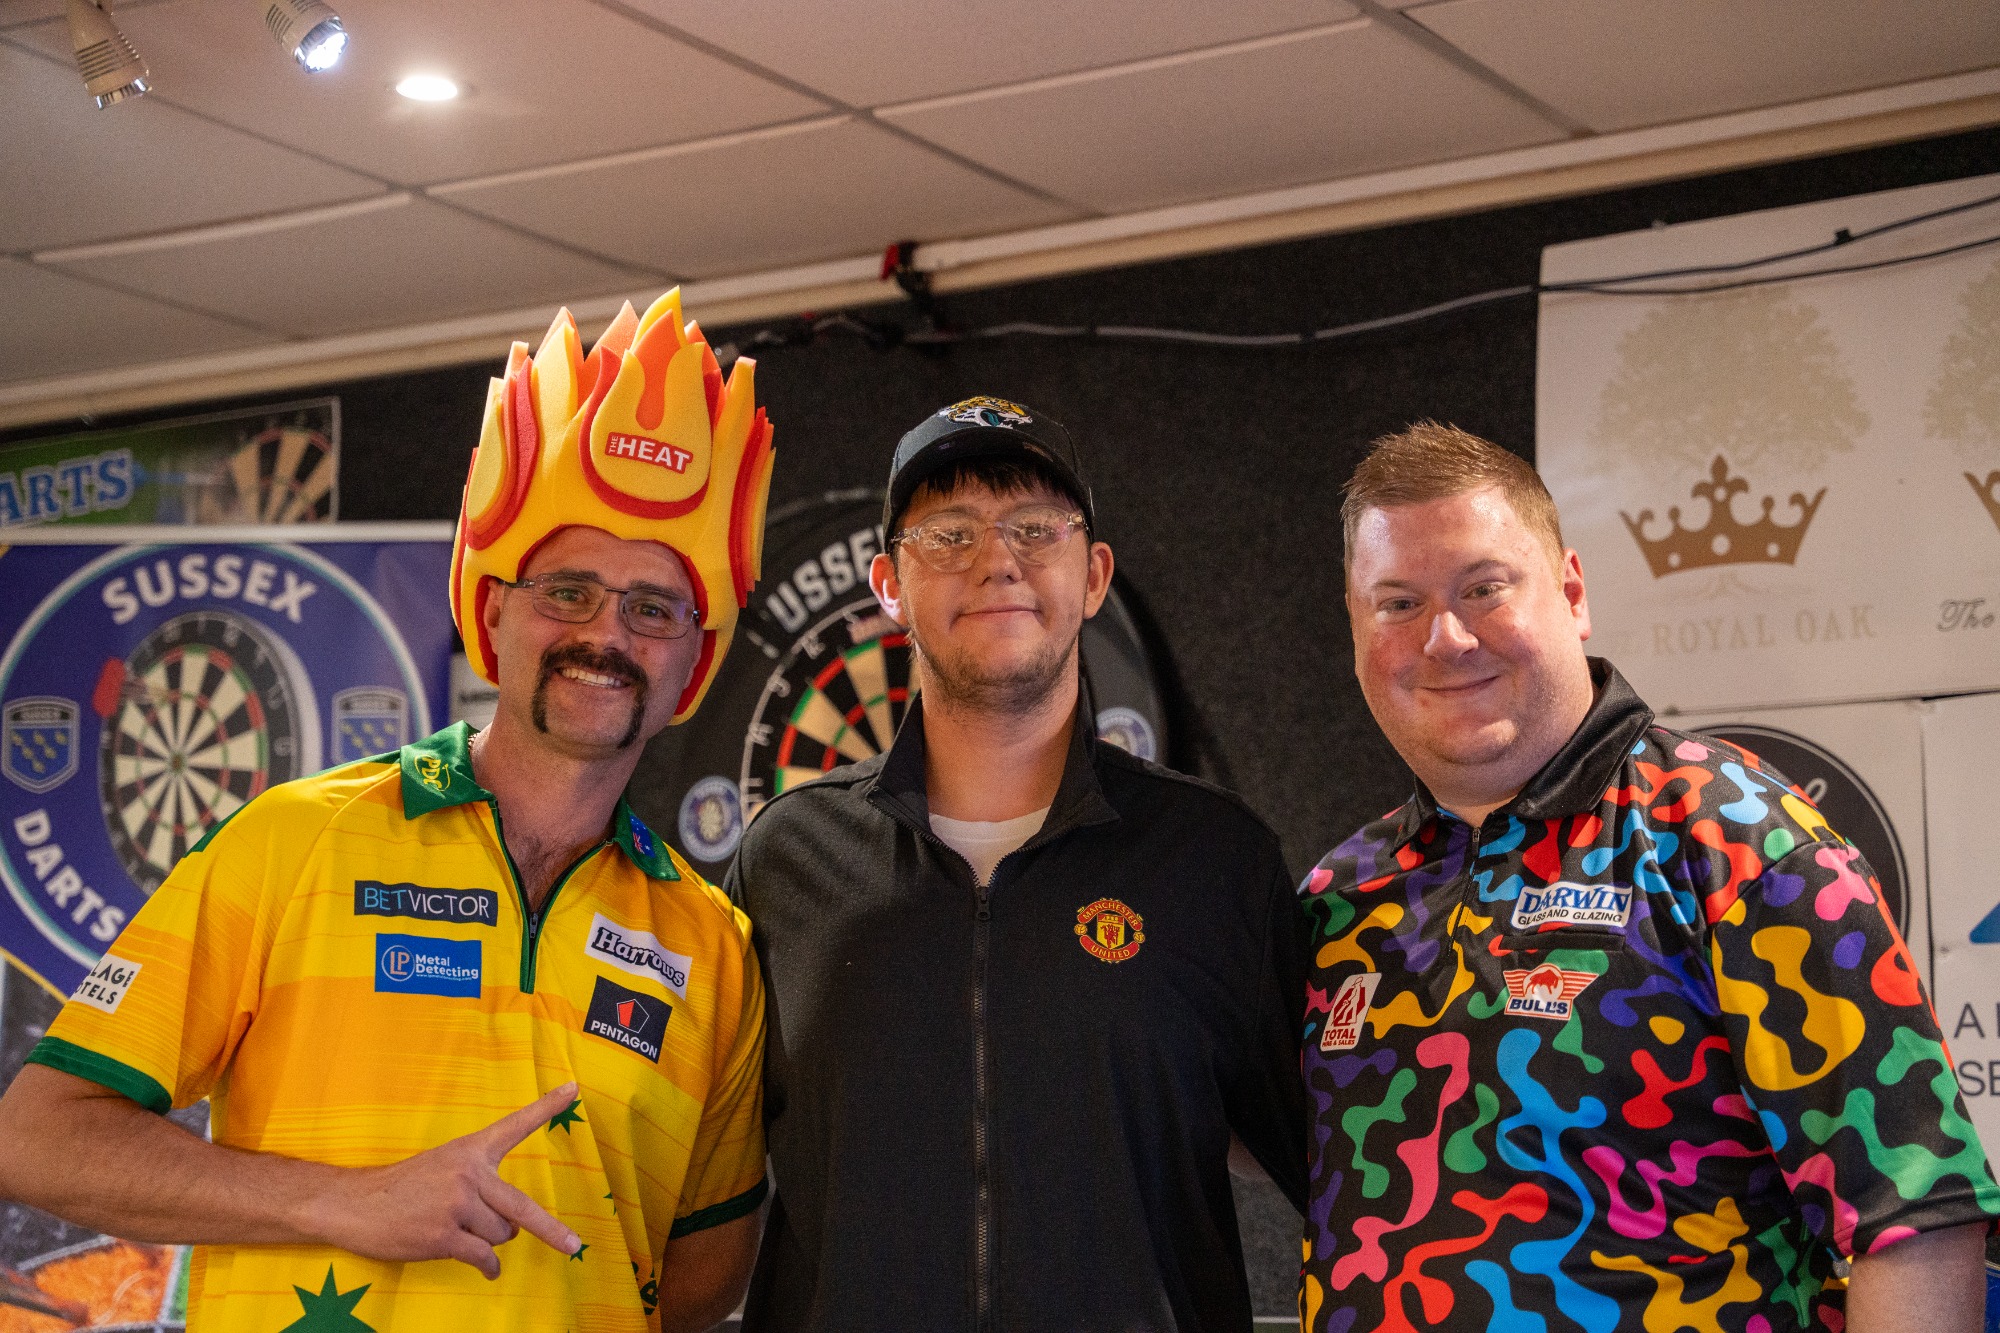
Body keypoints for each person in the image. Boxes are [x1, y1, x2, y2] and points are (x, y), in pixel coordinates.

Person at [0, 289, 780, 1332]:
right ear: (493, 609)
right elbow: (38, 1135)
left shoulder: (711, 946)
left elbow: (701, 1276)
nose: (606, 633)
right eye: (568, 590)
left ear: (694, 657)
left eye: (654, 607)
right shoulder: (297, 839)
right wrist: (341, 1200)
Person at [1300, 421, 2000, 1332]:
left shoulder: (1730, 835)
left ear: (1572, 592)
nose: (1447, 637)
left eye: (1484, 588)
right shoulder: (1337, 898)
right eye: (1397, 603)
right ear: (1355, 627)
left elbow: (1915, 1215)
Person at [727, 396, 1308, 1333]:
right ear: (888, 583)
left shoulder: (1216, 861)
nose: (997, 559)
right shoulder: (786, 861)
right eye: (949, 533)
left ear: (1094, 575)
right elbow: (688, 1186)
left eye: (1037, 528)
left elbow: (1359, 1186)